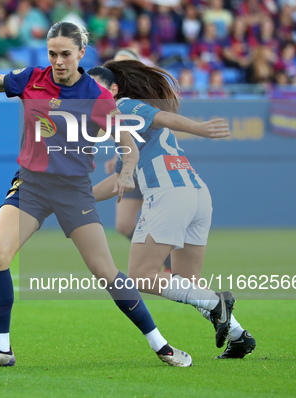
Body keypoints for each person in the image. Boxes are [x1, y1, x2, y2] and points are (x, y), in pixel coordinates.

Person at [0, 22, 193, 368]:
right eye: (53, 53)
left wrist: (127, 172)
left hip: (73, 192)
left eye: (65, 54)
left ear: (81, 54)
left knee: (106, 271)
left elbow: (127, 144)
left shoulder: (96, 96)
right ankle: (1, 350)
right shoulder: (32, 78)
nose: (58, 61)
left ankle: (162, 346)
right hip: (31, 186)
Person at [92, 60, 256, 359]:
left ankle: (218, 301)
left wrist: (199, 128)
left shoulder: (125, 107)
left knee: (141, 275)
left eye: (94, 87)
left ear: (114, 89)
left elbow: (162, 117)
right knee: (187, 283)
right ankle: (238, 335)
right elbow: (119, 178)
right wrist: (82, 198)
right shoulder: (123, 126)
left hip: (168, 194)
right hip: (196, 194)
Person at [97, 51, 172, 273]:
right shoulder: (112, 100)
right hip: (131, 170)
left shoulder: (140, 100)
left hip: (152, 168)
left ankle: (169, 265)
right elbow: (125, 137)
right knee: (123, 225)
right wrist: (118, 158)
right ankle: (167, 263)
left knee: (158, 224)